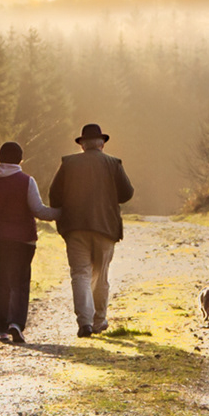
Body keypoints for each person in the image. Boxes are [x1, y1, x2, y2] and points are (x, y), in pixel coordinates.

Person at [0, 141, 60, 343]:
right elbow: (38, 210)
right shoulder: (27, 181)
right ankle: (16, 323)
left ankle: (1, 329)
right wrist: (62, 213)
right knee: (20, 282)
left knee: (0, 283)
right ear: (20, 160)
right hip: (23, 240)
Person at [46, 123, 134, 337]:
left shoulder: (68, 163)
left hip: (75, 228)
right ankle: (99, 320)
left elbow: (54, 194)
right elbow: (127, 193)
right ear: (102, 144)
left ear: (82, 145)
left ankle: (84, 323)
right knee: (101, 275)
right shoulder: (113, 163)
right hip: (105, 227)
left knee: (80, 274)